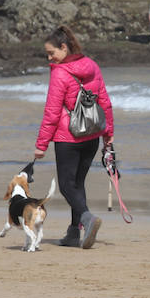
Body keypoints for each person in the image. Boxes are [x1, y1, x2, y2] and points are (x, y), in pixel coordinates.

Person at [33, 24, 114, 249]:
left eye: (52, 53)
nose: (50, 58)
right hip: (91, 134)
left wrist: (41, 145)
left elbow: (52, 111)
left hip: (68, 137)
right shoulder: (92, 65)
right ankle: (72, 233)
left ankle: (87, 219)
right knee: (78, 184)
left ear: (64, 47)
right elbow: (104, 101)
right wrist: (108, 134)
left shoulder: (60, 73)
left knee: (67, 186)